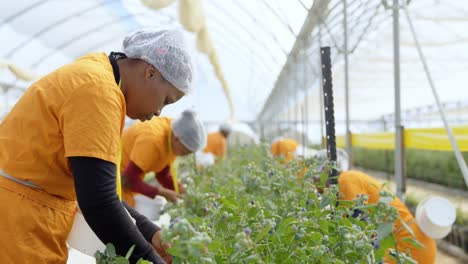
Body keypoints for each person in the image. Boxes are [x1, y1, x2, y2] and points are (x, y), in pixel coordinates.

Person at [0, 28, 193, 263]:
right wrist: (150, 259)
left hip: (27, 216)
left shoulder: (99, 75)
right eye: (165, 100)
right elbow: (99, 202)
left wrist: (150, 232)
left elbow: (99, 188)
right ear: (150, 72)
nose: (159, 112)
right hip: (17, 224)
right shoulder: (98, 91)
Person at [314, 150, 436, 264]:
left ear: (325, 170)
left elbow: (357, 226)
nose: (314, 182)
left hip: (408, 247)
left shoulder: (346, 181)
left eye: (315, 176)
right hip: (416, 243)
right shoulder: (348, 180)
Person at [121, 109, 206, 206]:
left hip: (127, 181)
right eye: (184, 152)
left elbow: (162, 174)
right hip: (115, 179)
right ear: (177, 139)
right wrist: (163, 193)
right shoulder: (153, 140)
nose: (185, 156)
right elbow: (127, 180)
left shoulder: (172, 134)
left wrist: (182, 190)